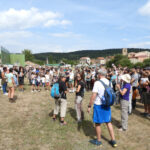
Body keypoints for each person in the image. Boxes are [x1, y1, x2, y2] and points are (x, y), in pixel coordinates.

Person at [87, 69, 117, 147]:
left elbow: (93, 96)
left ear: (100, 74)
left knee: (97, 123)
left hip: (99, 105)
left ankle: (99, 140)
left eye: (98, 74)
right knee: (108, 122)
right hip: (107, 105)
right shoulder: (109, 82)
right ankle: (113, 140)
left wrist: (89, 105)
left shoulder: (97, 83)